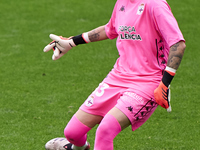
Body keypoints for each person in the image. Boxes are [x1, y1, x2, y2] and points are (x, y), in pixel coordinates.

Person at [43, 0, 186, 149]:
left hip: (147, 82)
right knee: (72, 133)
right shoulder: (121, 2)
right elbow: (110, 29)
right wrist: (73, 41)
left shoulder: (155, 5)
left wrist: (165, 83)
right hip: (117, 77)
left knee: (105, 130)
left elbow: (178, 44)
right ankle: (78, 148)